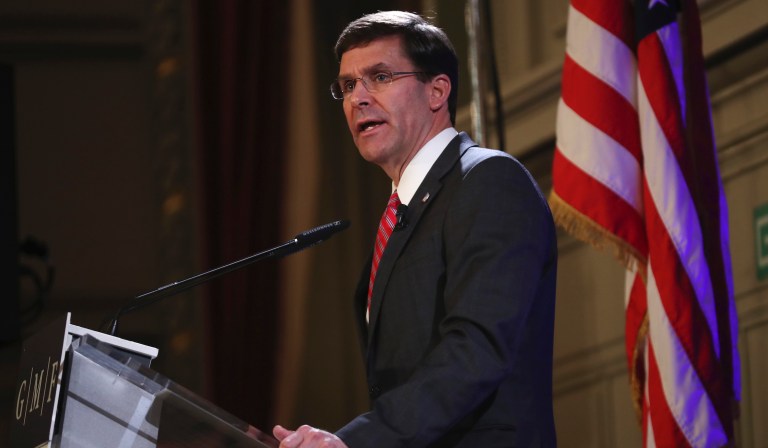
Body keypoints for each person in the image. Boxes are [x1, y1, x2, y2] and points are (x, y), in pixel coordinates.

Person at [273, 10, 557, 448]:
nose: (358, 99)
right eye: (347, 85)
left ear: (437, 91)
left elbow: (475, 350)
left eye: (380, 77)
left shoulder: (488, 181)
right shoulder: (404, 211)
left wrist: (355, 441)